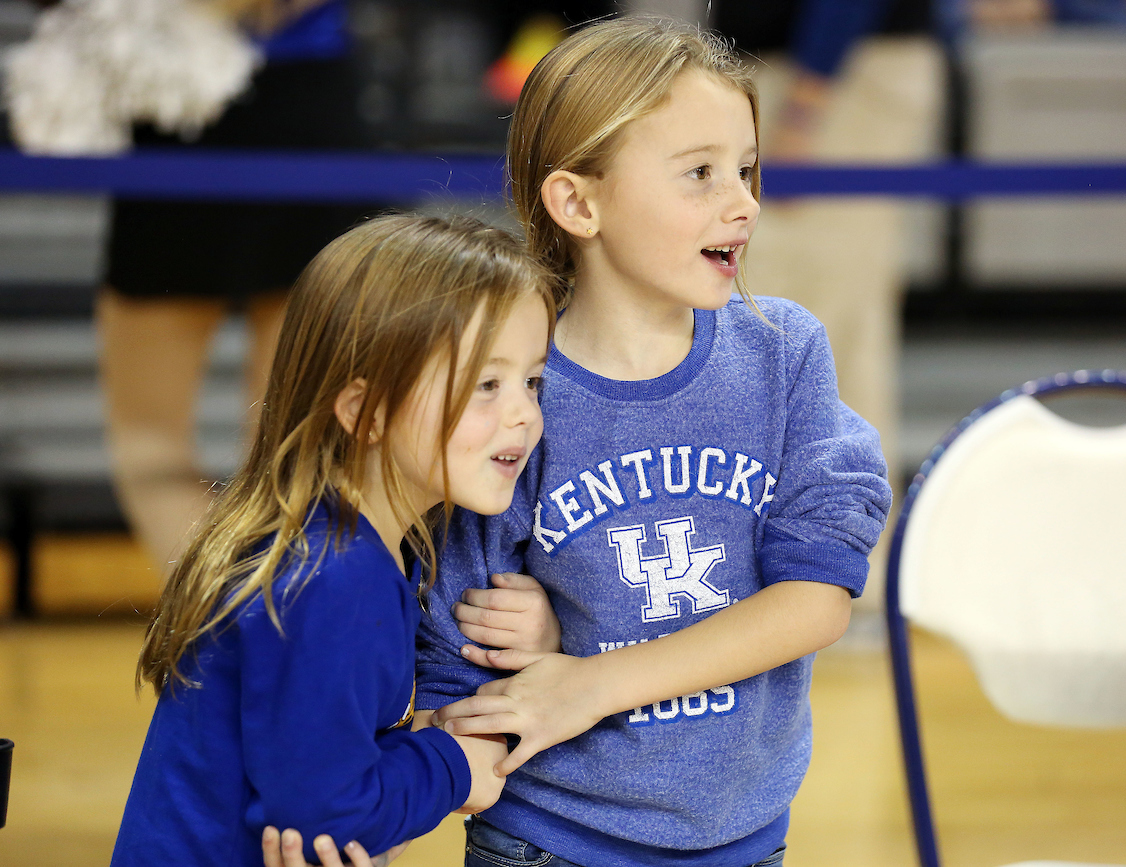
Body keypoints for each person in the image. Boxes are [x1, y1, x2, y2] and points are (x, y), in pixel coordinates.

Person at [414, 17, 892, 867]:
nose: (743, 202)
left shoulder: (784, 354)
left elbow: (817, 598)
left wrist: (587, 671)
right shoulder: (513, 391)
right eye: (700, 174)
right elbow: (458, 664)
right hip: (544, 841)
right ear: (578, 203)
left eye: (745, 169)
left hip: (746, 842)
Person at [109, 214, 558, 867]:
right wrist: (454, 764)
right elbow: (324, 819)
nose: (523, 413)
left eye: (532, 381)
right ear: (364, 411)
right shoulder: (332, 576)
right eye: (486, 384)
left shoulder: (364, 544)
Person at [97, 0, 370, 570]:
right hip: (290, 115)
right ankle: (252, 612)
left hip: (190, 113)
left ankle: (221, 614)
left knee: (154, 442)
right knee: (294, 451)